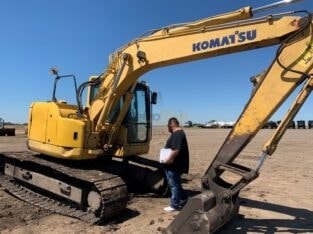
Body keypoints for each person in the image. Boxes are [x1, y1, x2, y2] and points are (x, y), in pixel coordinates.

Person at [162, 117, 189, 212]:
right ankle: (184, 197)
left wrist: (167, 160)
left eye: (168, 126)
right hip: (175, 164)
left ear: (171, 125)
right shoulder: (179, 133)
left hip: (174, 165)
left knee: (174, 185)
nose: (168, 128)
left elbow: (176, 150)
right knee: (176, 183)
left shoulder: (177, 134)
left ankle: (174, 205)